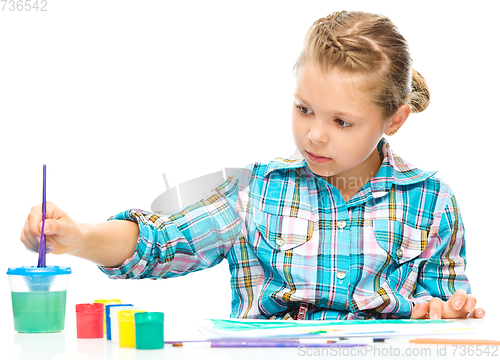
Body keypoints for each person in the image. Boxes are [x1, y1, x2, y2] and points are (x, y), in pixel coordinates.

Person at [20, 10, 485, 320]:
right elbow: (161, 243)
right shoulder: (257, 190)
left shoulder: (432, 201)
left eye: (342, 122)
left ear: (395, 119)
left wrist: (453, 310)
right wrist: (78, 237)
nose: (315, 135)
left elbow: (445, 308)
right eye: (304, 109)